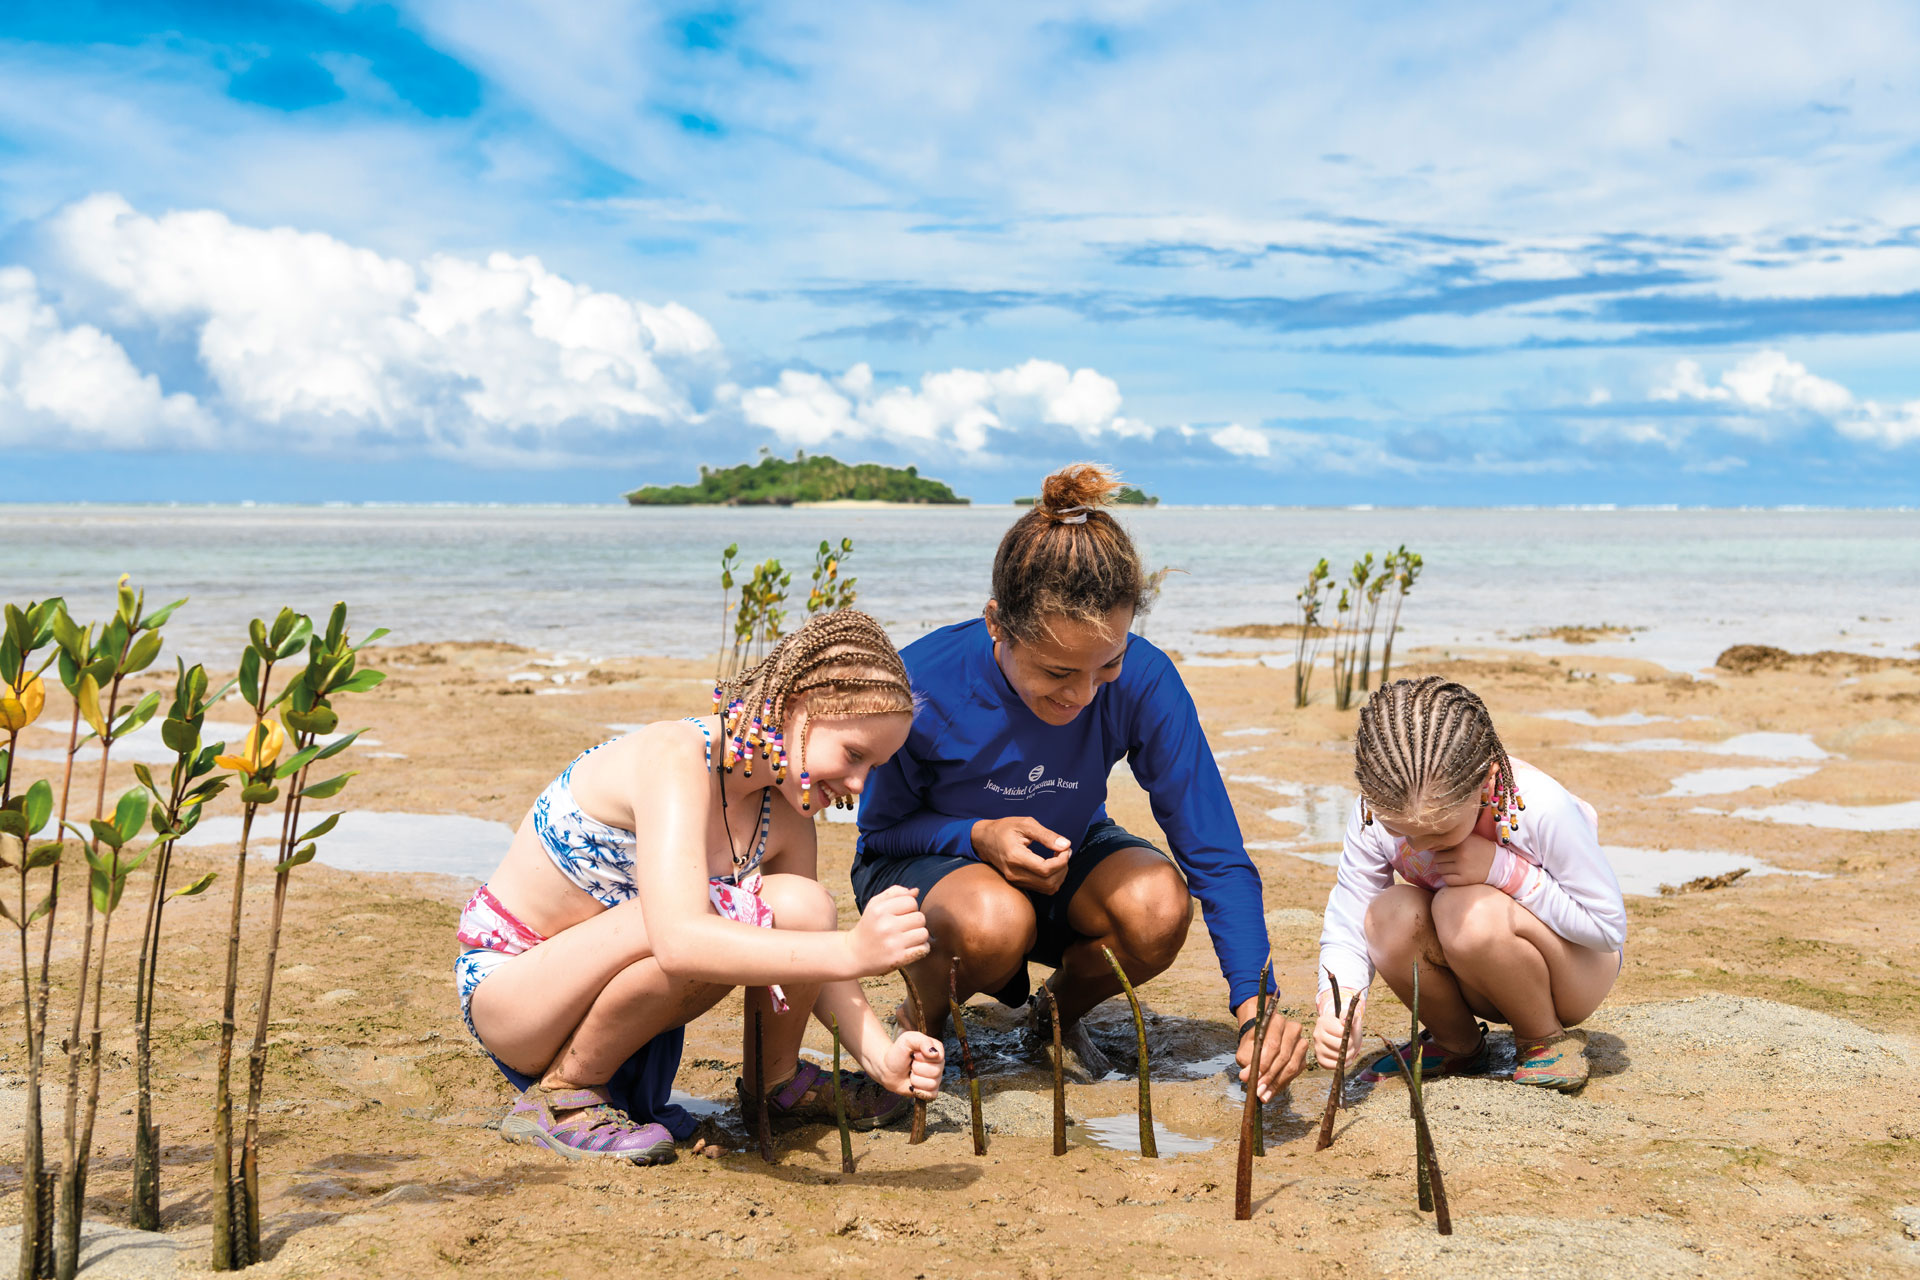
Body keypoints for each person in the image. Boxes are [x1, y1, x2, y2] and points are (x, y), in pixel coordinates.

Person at [852, 463, 1308, 1103]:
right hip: (931, 864)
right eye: (1058, 671)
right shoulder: (924, 685)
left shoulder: (1145, 681)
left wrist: (1256, 1006)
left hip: (1064, 857)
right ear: (997, 624)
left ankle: (1053, 1018)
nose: (1083, 695)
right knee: (993, 919)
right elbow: (879, 835)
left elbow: (1216, 852)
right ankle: (919, 1026)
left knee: (1158, 906)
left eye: (1108, 664)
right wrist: (978, 835)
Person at [455, 610, 944, 1162]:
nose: (858, 784)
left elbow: (807, 950)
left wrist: (882, 1057)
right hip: (519, 997)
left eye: (875, 767)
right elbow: (679, 939)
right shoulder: (675, 757)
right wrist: (857, 949)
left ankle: (776, 1085)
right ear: (798, 704)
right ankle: (564, 1096)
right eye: (854, 754)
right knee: (710, 916)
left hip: (619, 1004)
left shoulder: (784, 814)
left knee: (804, 905)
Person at [1314, 676, 1627, 1091]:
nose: (1417, 845)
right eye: (1400, 831)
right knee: (1383, 914)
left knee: (1464, 910)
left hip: (1571, 974)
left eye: (1438, 832)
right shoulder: (1378, 810)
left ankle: (1543, 1039)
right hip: (1468, 967)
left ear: (1486, 783)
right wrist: (1339, 1005)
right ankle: (1456, 1043)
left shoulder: (1540, 807)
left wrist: (1503, 869)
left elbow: (1607, 930)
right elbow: (1351, 912)